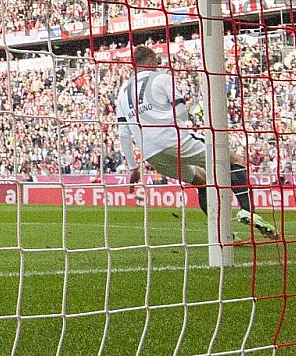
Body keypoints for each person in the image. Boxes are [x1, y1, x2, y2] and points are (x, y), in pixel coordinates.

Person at [115, 45, 279, 240]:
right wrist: (179, 126)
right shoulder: (162, 78)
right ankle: (247, 211)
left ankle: (223, 234)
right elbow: (181, 110)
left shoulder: (123, 92)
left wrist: (133, 168)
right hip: (173, 138)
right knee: (234, 159)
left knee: (201, 182)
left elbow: (123, 133)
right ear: (152, 63)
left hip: (150, 152)